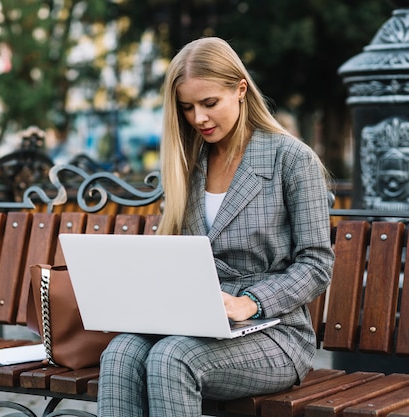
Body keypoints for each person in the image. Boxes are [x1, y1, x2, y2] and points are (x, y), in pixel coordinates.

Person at [97, 37, 334, 416]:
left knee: (173, 358)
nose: (199, 119)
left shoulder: (290, 158)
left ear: (240, 90)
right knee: (121, 353)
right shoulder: (187, 163)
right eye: (187, 108)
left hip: (274, 332)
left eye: (209, 104)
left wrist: (251, 303)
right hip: (193, 322)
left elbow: (316, 264)